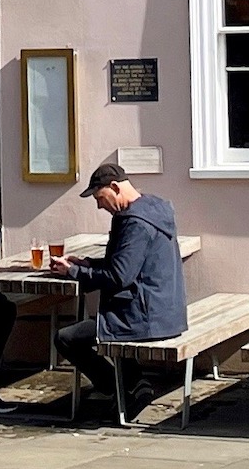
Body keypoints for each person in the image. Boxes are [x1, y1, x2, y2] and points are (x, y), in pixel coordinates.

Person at [57, 161, 187, 417]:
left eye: (99, 197)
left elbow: (119, 276)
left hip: (146, 318)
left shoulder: (135, 223)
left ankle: (117, 388)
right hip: (165, 311)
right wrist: (86, 263)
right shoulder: (152, 210)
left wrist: (73, 272)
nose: (98, 205)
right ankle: (135, 385)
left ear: (115, 187)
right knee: (108, 316)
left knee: (65, 338)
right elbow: (125, 264)